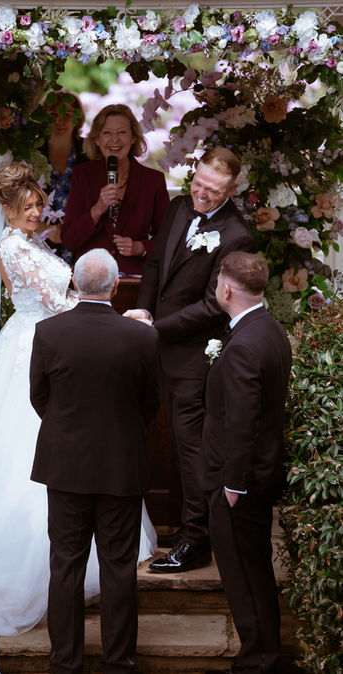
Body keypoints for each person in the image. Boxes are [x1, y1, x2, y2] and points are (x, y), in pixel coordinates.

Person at [0, 164, 157, 674]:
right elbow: (59, 303)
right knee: (27, 449)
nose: (35, 213)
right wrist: (118, 319)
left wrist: (105, 317)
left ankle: (74, 651)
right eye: (26, 208)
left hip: (58, 340)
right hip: (39, 343)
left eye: (38, 205)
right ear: (5, 208)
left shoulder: (33, 242)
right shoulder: (11, 248)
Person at [30, 248, 161, 674]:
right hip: (120, 466)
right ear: (116, 286)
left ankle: (64, 663)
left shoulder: (48, 332)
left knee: (65, 565)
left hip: (66, 467)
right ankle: (118, 663)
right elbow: (150, 402)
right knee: (119, 566)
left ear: (74, 282)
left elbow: (40, 398)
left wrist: (68, 433)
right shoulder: (142, 337)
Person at [125, 147, 255, 573]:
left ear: (230, 191)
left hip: (193, 357)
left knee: (190, 450)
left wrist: (155, 328)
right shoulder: (179, 207)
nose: (201, 193)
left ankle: (196, 539)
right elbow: (155, 266)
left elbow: (213, 306)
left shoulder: (236, 236)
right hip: (154, 342)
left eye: (212, 191)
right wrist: (143, 311)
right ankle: (154, 527)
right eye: (198, 183)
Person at [199, 251, 292, 674]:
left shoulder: (244, 345)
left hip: (240, 483)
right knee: (255, 572)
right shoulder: (270, 329)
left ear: (226, 288)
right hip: (262, 472)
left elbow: (242, 422)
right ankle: (263, 655)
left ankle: (258, 661)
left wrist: (232, 486)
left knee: (243, 577)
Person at [61, 103, 169, 275]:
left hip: (133, 278)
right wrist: (97, 209)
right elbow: (69, 240)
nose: (115, 139)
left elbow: (167, 238)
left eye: (122, 132)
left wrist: (140, 247)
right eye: (107, 133)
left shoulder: (153, 180)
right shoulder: (83, 175)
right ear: (97, 140)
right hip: (90, 278)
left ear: (133, 137)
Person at [39, 89, 87, 261]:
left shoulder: (89, 152)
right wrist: (43, 229)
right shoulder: (34, 153)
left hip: (83, 244)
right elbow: (17, 206)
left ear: (77, 118)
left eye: (67, 115)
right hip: (40, 246)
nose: (59, 121)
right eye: (53, 114)